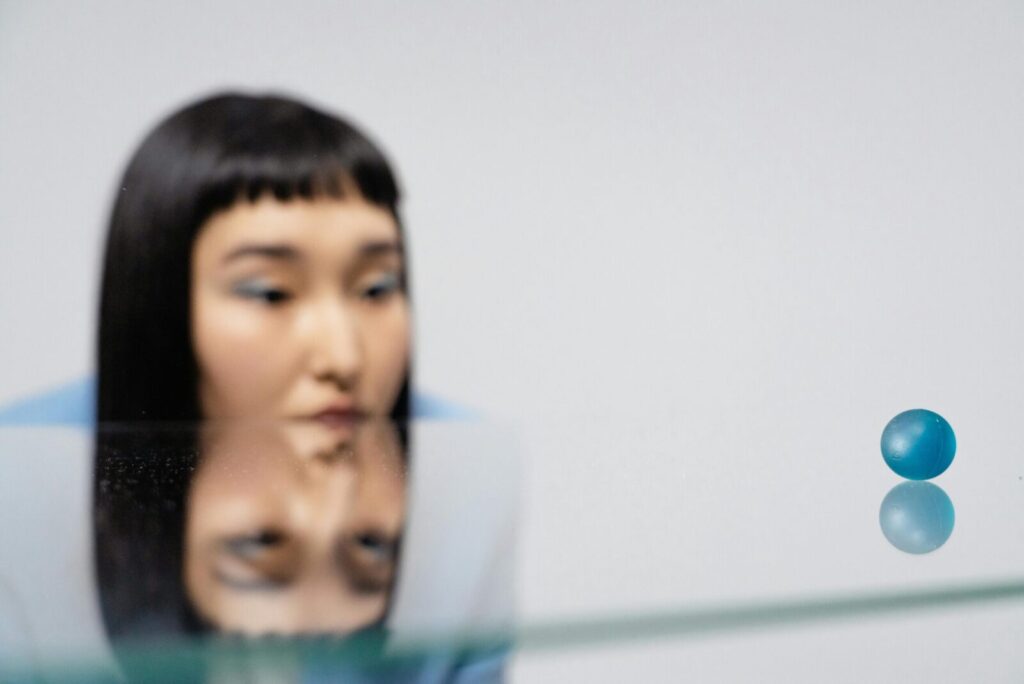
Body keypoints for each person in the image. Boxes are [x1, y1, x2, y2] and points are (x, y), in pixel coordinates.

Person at [0, 91, 470, 424]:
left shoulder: (456, 487)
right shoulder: (23, 484)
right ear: (160, 306)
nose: (343, 359)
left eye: (377, 288)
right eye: (270, 293)